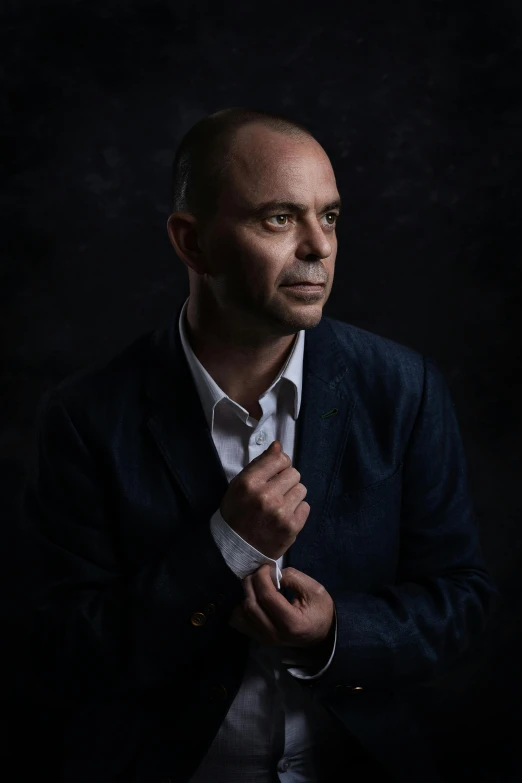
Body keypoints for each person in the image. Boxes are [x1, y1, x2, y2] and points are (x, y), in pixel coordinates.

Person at [21, 107, 498, 783]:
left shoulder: (404, 387)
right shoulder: (85, 416)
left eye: (328, 217)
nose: (319, 246)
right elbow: (65, 649)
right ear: (192, 243)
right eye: (280, 217)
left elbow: (463, 600)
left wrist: (336, 636)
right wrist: (224, 550)